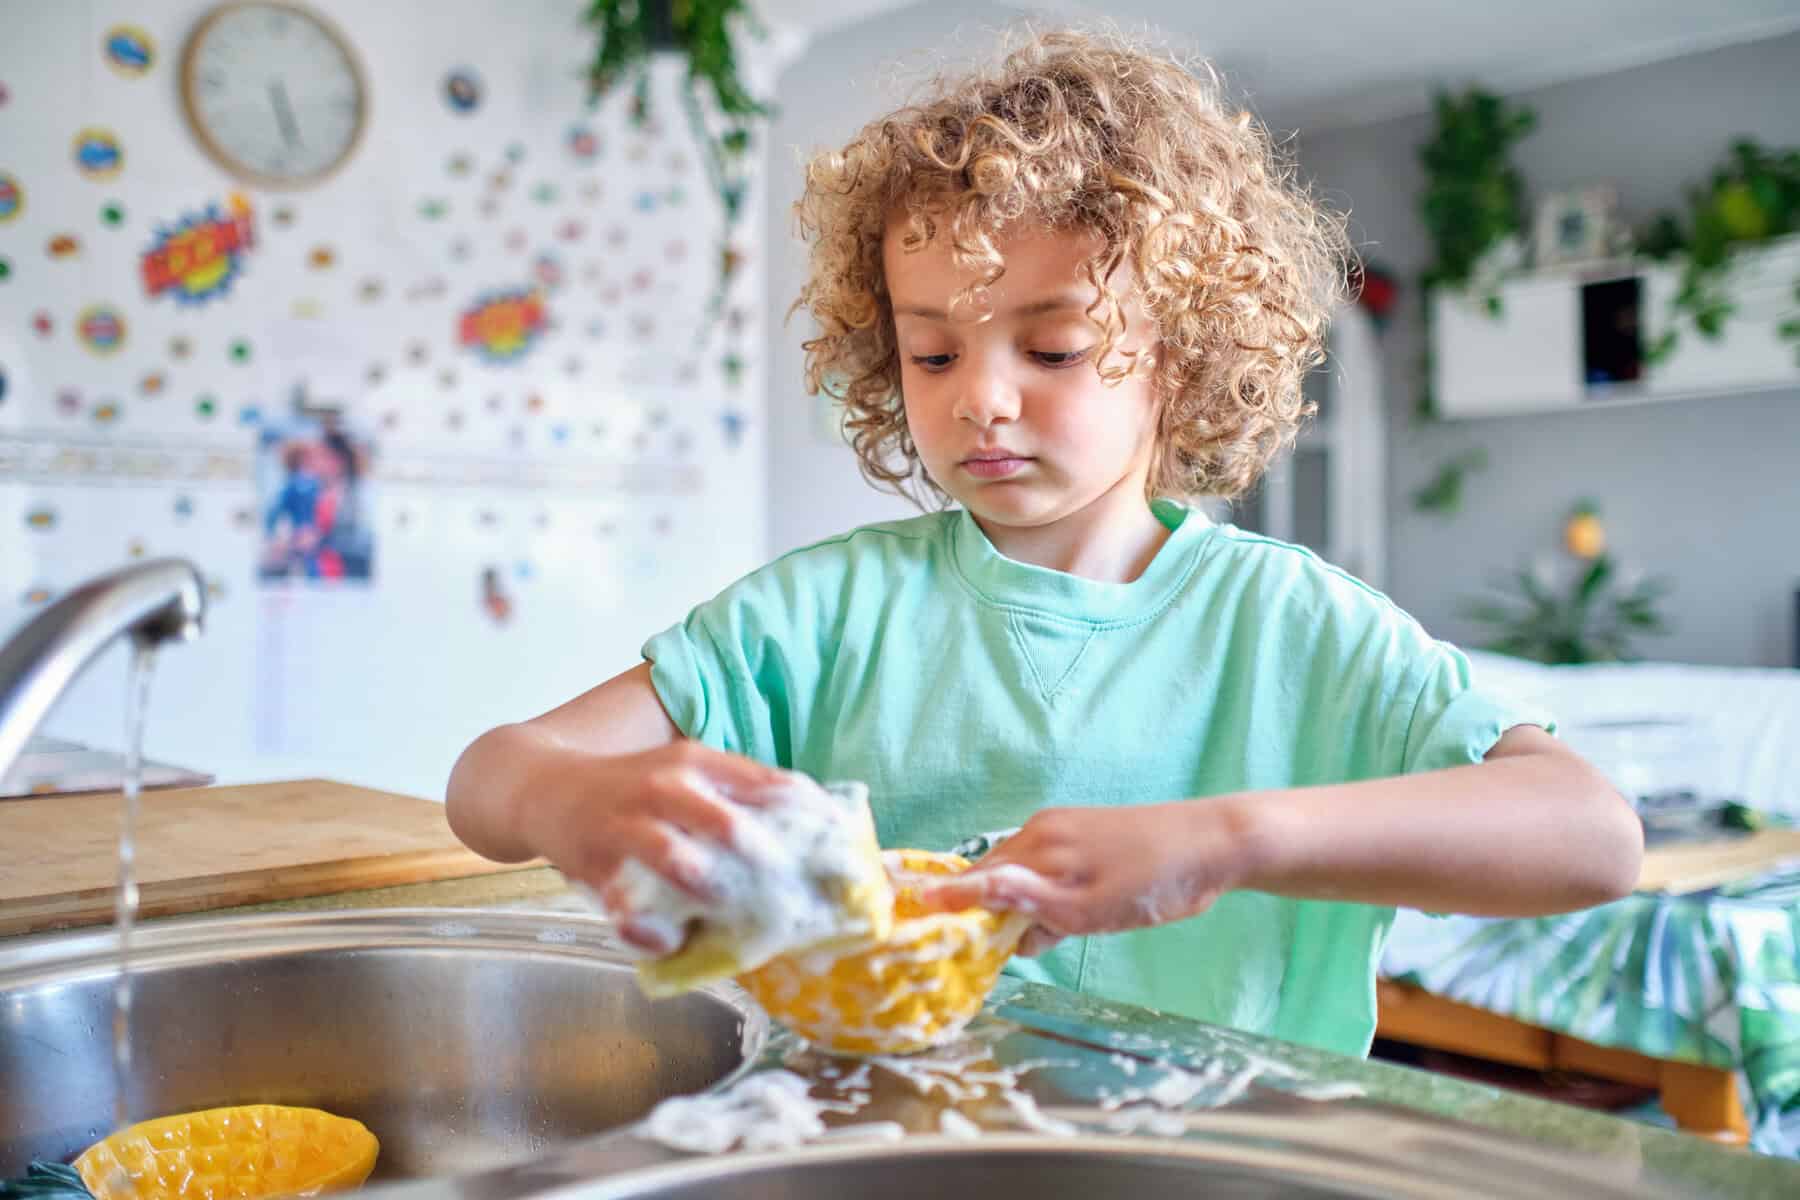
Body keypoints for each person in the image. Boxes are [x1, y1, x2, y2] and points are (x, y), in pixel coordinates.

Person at [447, 26, 1643, 1057]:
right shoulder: (818, 618)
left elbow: (1589, 836)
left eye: (1054, 348)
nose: (981, 399)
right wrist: (569, 803)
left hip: (1212, 1152)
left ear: (1178, 352)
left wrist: (1230, 839)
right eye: (934, 352)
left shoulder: (1293, 627)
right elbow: (489, 775)